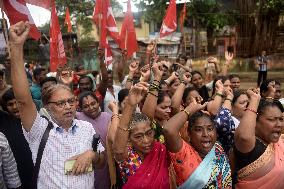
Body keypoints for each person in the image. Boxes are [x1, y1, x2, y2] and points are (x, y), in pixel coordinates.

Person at [9, 21, 105, 188]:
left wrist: (92, 155)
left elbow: (101, 162)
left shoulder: (86, 128)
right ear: (47, 107)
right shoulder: (38, 129)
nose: (68, 106)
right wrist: (16, 48)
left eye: (71, 101)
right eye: (61, 103)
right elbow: (23, 101)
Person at [112, 82, 171, 189]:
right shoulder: (127, 156)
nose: (146, 140)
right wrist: (130, 104)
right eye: (138, 136)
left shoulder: (160, 150)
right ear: (129, 140)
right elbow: (119, 149)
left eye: (149, 133)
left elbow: (149, 114)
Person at [163, 99, 232, 188]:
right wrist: (189, 109)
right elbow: (168, 130)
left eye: (210, 129)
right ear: (189, 133)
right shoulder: (183, 153)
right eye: (199, 130)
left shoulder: (218, 148)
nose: (206, 134)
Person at [234, 88, 284, 188]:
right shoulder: (249, 146)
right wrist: (254, 99)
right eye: (271, 119)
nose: (278, 124)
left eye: (281, 119)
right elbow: (244, 137)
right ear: (255, 121)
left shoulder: (279, 142)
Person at [76, 91, 112, 189]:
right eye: (86, 106)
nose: (91, 108)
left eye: (93, 103)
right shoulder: (78, 118)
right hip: (89, 163)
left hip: (108, 163)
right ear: (81, 108)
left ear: (98, 102)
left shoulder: (108, 117)